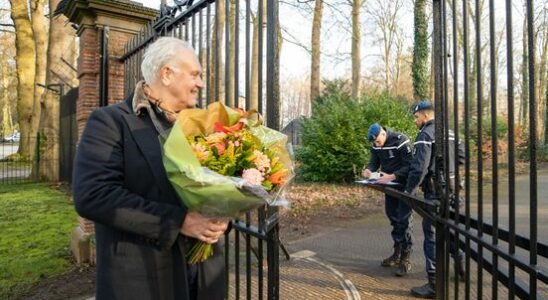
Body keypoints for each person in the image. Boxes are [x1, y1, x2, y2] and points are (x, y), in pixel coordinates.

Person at [72, 37, 229, 300]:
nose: (200, 83)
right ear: (166, 74)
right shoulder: (110, 122)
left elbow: (223, 186)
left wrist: (222, 216)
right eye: (194, 74)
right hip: (142, 280)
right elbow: (93, 195)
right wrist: (179, 221)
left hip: (204, 279)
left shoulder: (205, 128)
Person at [405, 101, 464, 298]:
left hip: (435, 192)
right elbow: (462, 157)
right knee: (452, 228)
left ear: (424, 116)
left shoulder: (425, 135)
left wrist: (409, 190)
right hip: (453, 191)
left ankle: (434, 282)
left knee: (431, 235)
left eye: (416, 117)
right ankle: (461, 263)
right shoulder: (452, 132)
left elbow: (419, 167)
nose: (415, 121)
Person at [362, 123, 414, 276]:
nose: (375, 144)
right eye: (374, 143)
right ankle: (396, 254)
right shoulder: (376, 144)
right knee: (393, 219)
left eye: (377, 141)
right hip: (388, 187)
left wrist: (393, 176)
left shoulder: (400, 140)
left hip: (404, 187)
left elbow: (410, 165)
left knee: (404, 221)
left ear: (383, 134)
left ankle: (406, 258)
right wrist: (369, 170)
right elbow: (374, 161)